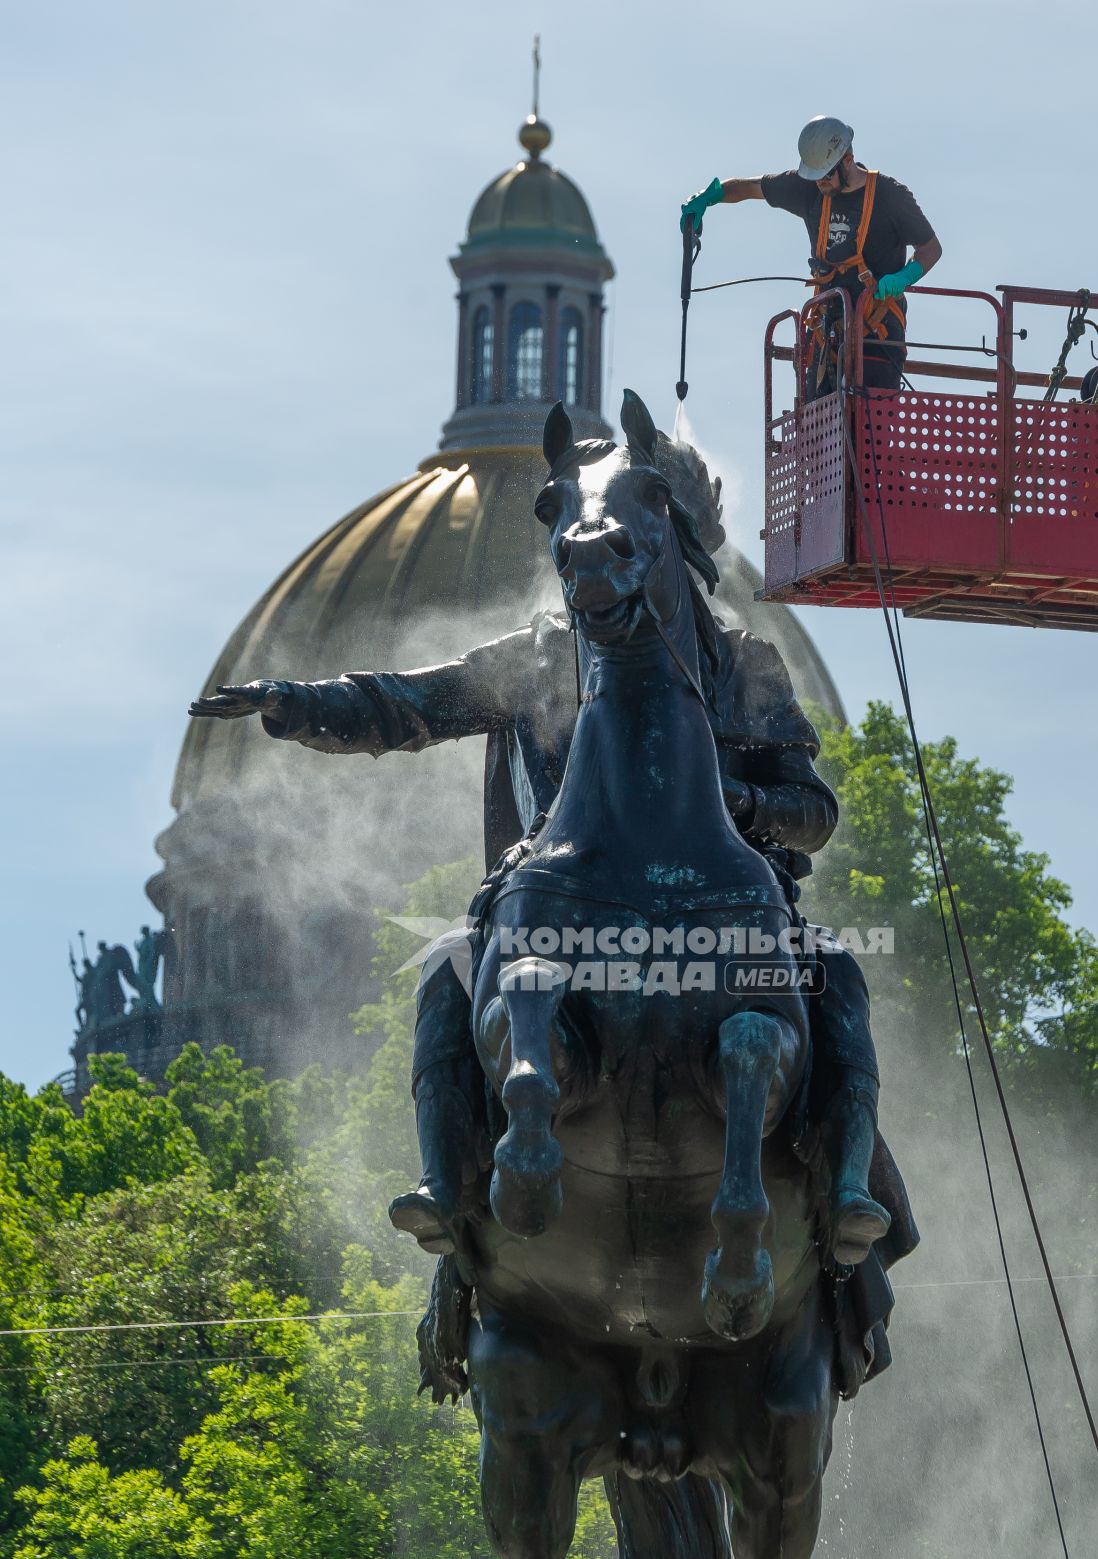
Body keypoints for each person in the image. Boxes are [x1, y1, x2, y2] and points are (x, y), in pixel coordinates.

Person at [190, 434, 914, 1286]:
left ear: (670, 546)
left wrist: (746, 806)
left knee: (837, 972)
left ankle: (844, 1190)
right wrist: (293, 699)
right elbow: (405, 704)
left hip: (725, 909)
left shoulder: (740, 664)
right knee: (449, 971)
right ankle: (447, 1183)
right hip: (559, 892)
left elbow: (814, 811)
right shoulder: (535, 658)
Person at [681, 115, 941, 392]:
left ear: (848, 159)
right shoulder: (809, 189)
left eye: (827, 175)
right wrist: (708, 197)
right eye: (815, 177)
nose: (821, 183)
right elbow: (749, 187)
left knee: (868, 428)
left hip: (878, 335)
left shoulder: (890, 196)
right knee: (818, 425)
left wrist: (904, 276)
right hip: (826, 335)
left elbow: (930, 249)